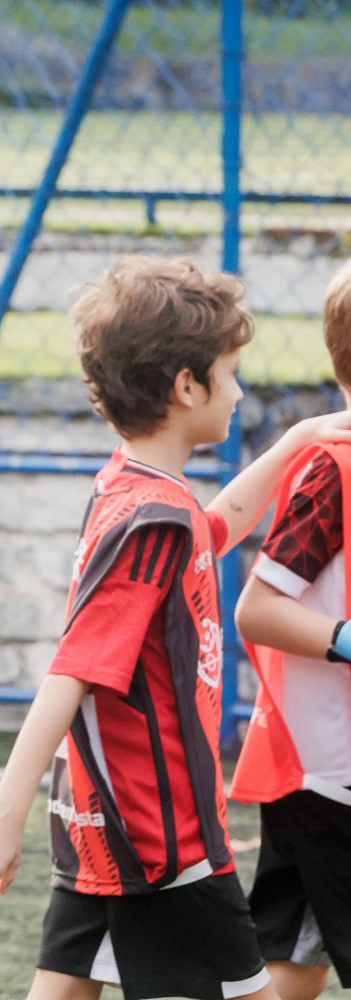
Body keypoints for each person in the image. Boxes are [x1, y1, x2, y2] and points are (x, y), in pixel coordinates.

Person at [0, 256, 351, 1000]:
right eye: (230, 374)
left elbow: (215, 528)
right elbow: (71, 670)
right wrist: (2, 813)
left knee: (64, 990)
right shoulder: (152, 524)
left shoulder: (133, 492)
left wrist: (293, 442)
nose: (239, 391)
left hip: (95, 818)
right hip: (163, 834)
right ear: (187, 387)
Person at [230, 258, 351, 1000]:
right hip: (326, 777)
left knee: (291, 966)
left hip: (324, 779)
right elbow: (258, 610)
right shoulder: (333, 470)